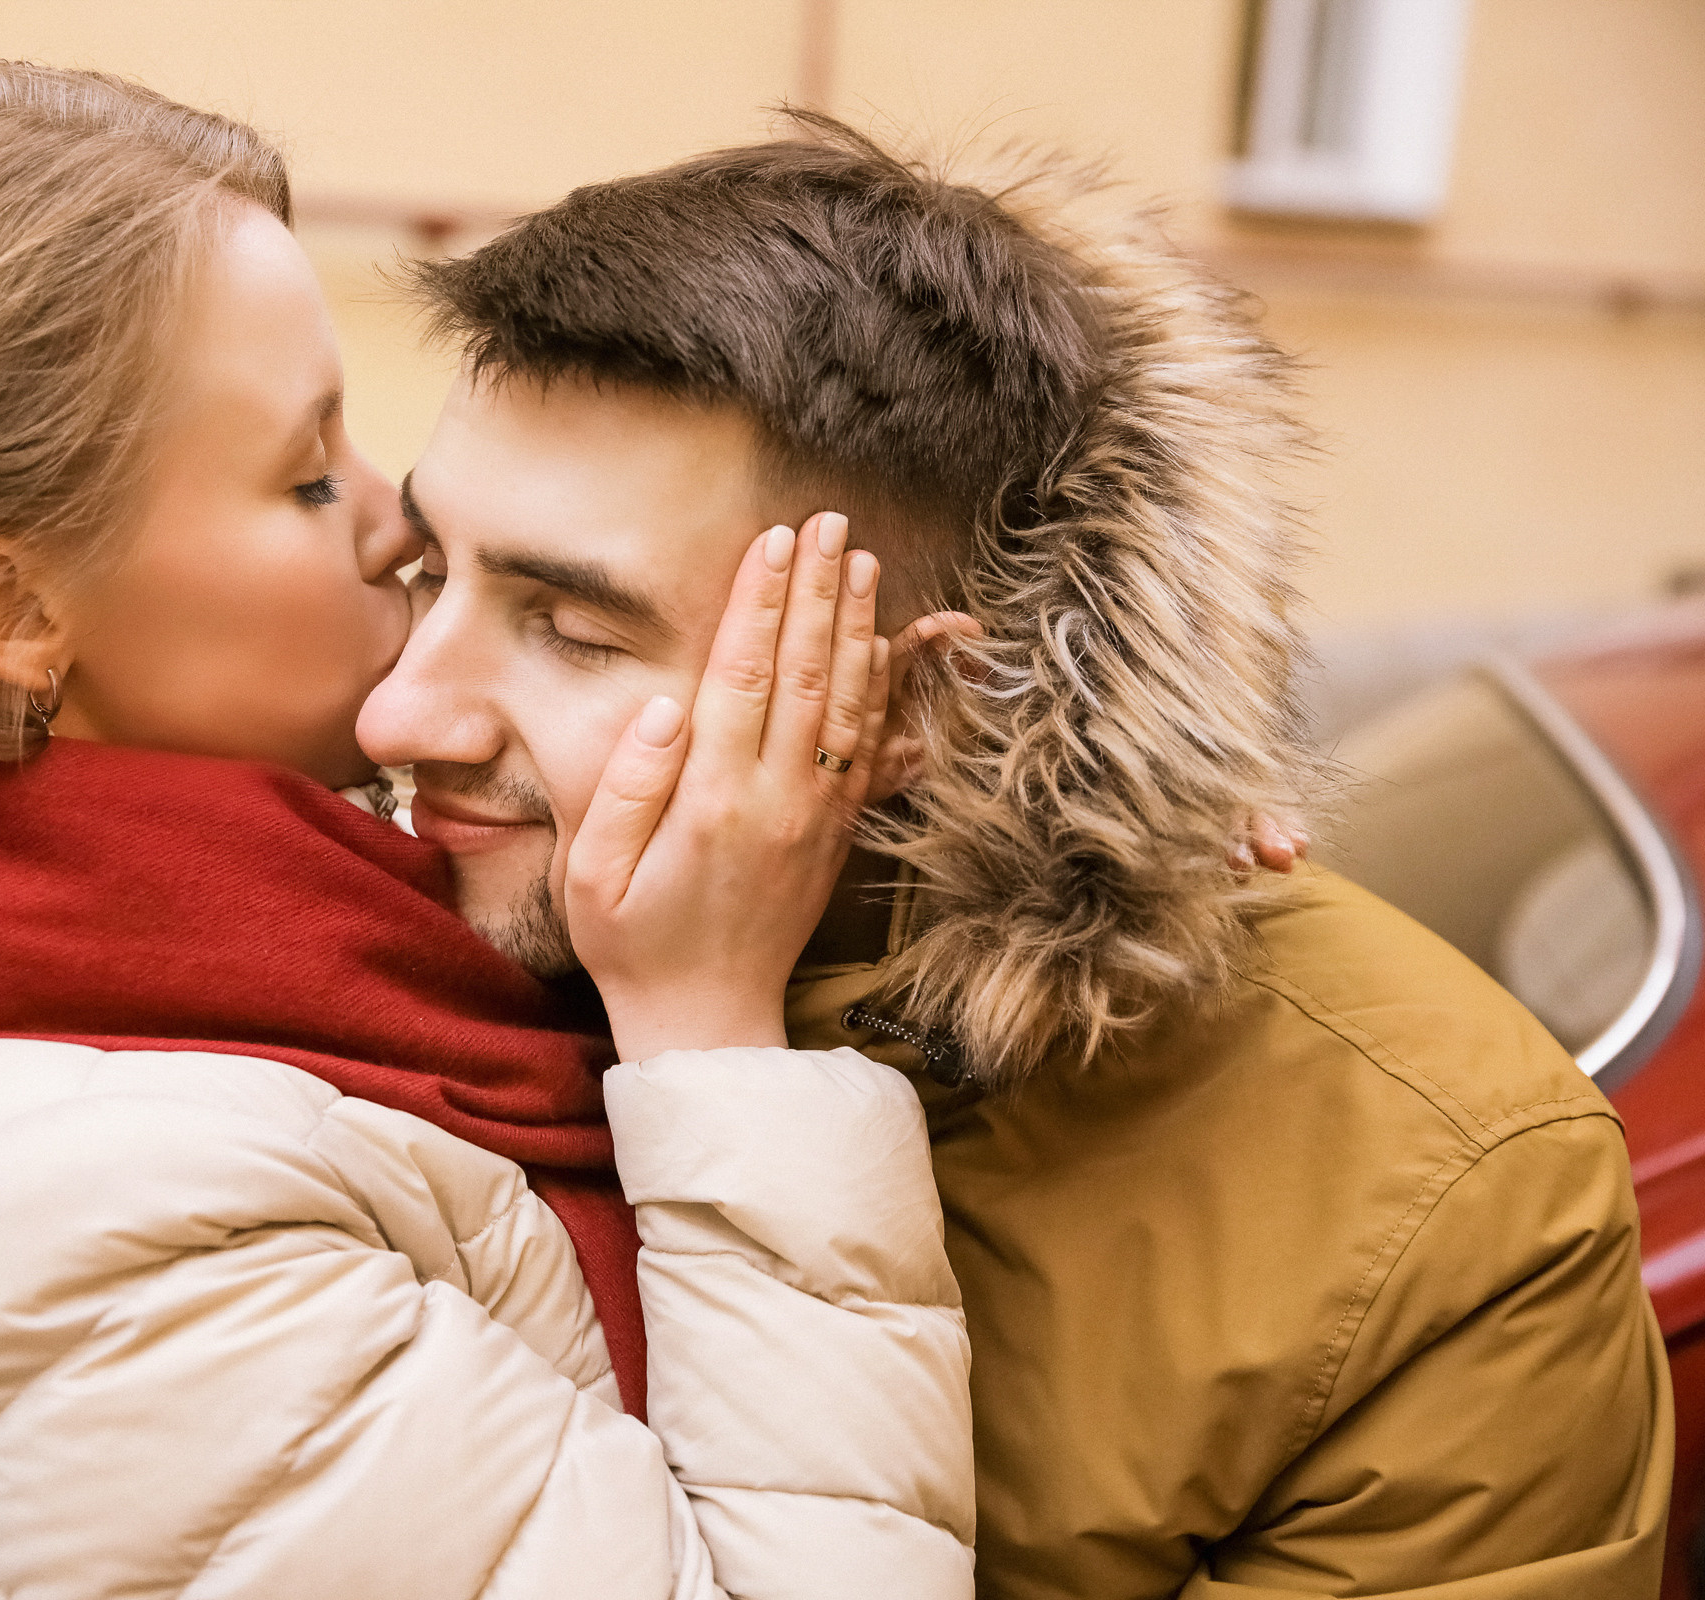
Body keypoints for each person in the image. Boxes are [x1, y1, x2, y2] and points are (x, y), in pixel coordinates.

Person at [0, 61, 977, 1600]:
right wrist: (710, 1041)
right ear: (18, 615)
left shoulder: (224, 974)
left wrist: (1032, 831)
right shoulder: (81, 1253)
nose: (397, 520)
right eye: (305, 475)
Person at [336, 119, 1670, 1597]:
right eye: (420, 571)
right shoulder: (317, 924)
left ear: (915, 701)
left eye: (577, 633)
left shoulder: (1443, 1200)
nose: (400, 711)